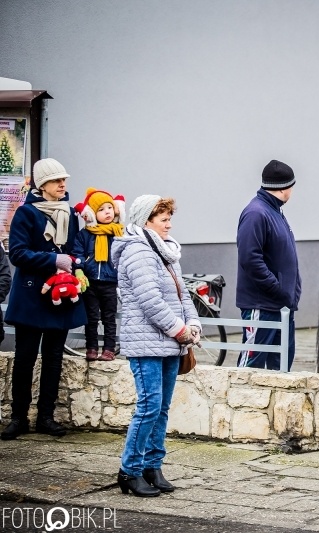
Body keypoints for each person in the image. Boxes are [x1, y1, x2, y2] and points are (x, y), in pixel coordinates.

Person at [111, 195, 200, 497]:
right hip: (147, 344)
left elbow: (181, 294)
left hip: (169, 344)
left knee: (160, 409)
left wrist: (193, 325)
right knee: (148, 408)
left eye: (169, 217)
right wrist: (180, 330)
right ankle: (130, 471)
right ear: (146, 220)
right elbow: (151, 300)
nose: (169, 224)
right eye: (164, 219)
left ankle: (153, 467)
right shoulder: (138, 251)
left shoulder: (162, 252)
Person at [1, 158, 87, 441]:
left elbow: (75, 248)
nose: (63, 185)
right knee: (25, 359)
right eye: (56, 181)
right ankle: (18, 418)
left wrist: (74, 261)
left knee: (53, 358)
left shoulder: (70, 213)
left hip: (60, 294)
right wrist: (54, 259)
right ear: (42, 185)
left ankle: (46, 417)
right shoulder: (26, 213)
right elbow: (17, 253)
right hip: (31, 295)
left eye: (64, 180)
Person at [236, 159, 301, 371]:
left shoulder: (274, 211)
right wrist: (278, 289)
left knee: (281, 368)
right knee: (250, 366)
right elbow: (250, 259)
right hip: (261, 305)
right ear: (284, 188)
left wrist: (291, 293)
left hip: (281, 305)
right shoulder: (257, 213)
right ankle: (240, 403)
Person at [74, 188, 126, 361]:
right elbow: (78, 252)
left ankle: (109, 349)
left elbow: (124, 255)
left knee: (109, 317)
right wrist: (80, 267)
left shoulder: (118, 233)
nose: (107, 212)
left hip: (110, 282)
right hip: (90, 282)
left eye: (109, 208)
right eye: (101, 210)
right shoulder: (85, 234)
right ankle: (91, 348)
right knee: (91, 317)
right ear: (93, 214)